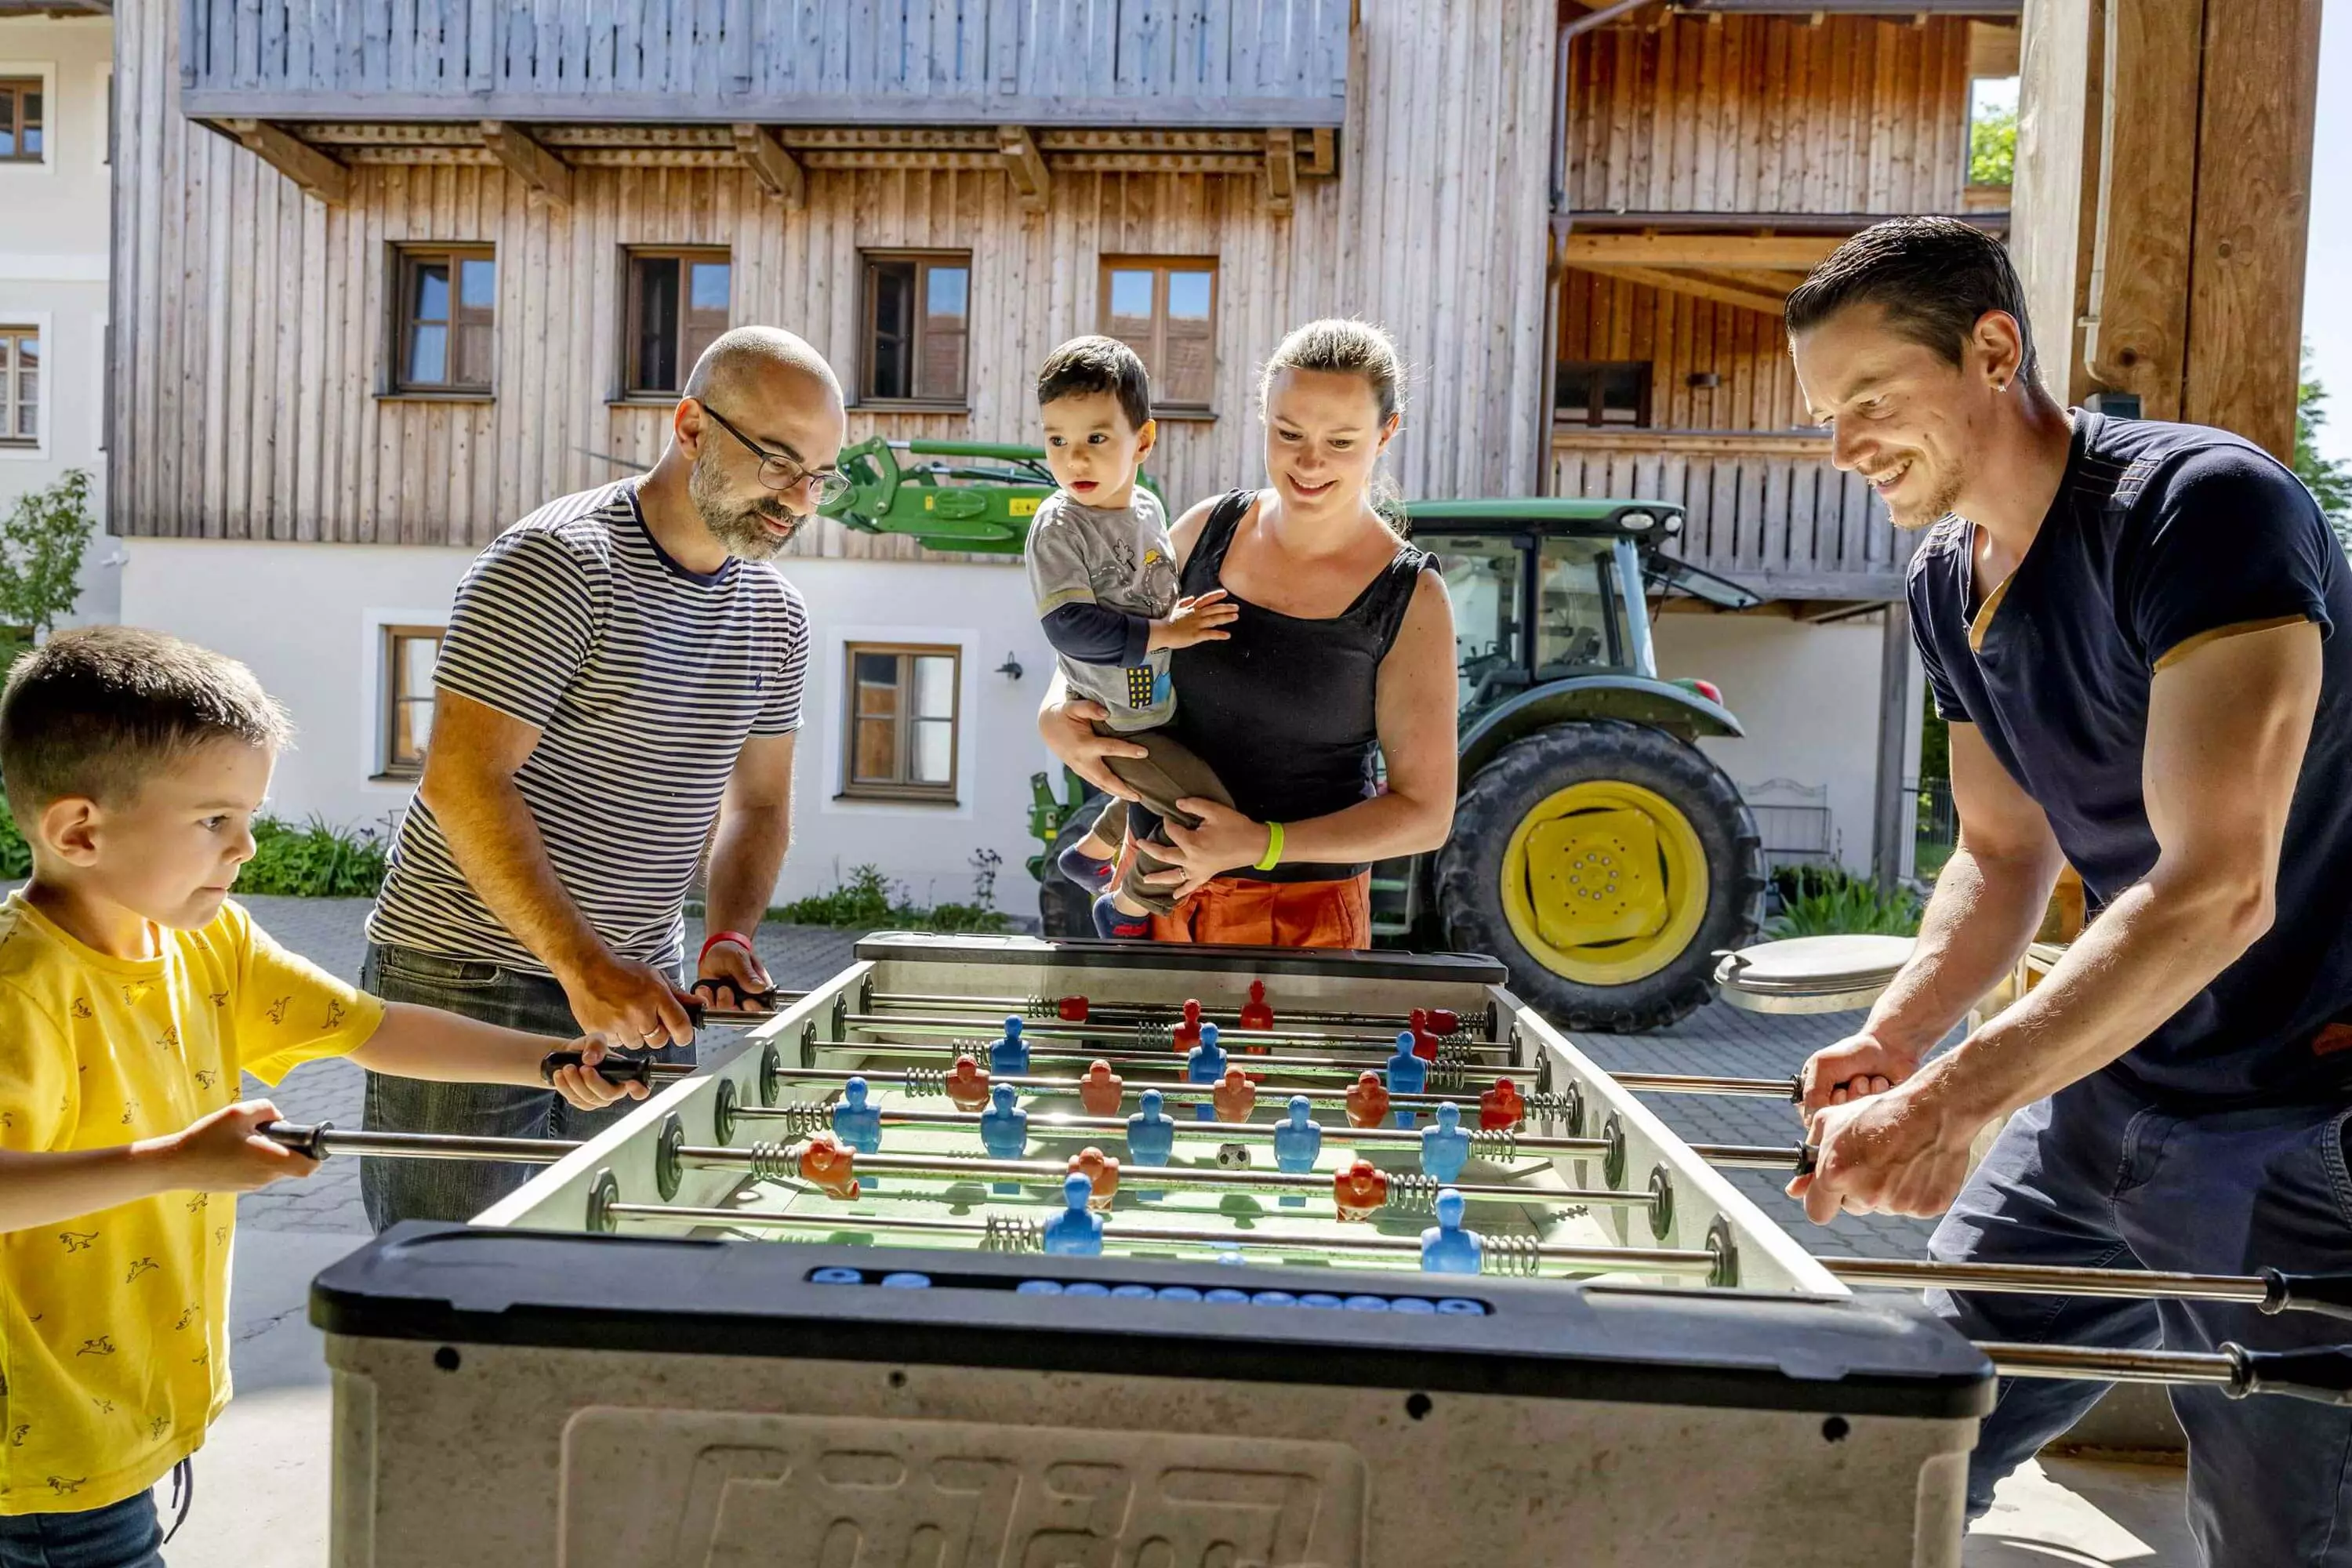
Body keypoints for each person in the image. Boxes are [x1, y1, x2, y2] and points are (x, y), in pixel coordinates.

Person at [1781, 217, 2352, 1563]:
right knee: (1907, 1441)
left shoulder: (2203, 512)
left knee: (2287, 1537)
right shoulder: (1942, 581)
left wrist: (1961, 1099)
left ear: (1993, 351)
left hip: (2302, 1110)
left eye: (1870, 400)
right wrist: (1905, 1035)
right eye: (1826, 415)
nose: (1846, 445)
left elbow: (2219, 888)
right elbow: (1998, 854)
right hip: (2109, 1083)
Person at [0, 628, 637, 1565]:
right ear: (80, 830)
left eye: (248, 814)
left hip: (128, 1416)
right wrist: (178, 1161)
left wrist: (549, 1059)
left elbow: (372, 1026)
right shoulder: (22, 988)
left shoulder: (210, 942)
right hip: (42, 1450)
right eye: (214, 819)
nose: (247, 845)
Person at [359, 326, 841, 1229]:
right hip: (468, 976)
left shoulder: (778, 612)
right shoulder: (557, 562)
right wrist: (579, 962)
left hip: (638, 985)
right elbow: (462, 781)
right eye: (780, 461)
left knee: (617, 1272)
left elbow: (762, 801)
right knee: (444, 1287)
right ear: (691, 425)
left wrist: (726, 937)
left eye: (820, 476)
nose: (798, 499)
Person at [1036, 318, 1457, 946]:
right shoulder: (1206, 527)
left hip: (1301, 919)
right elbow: (1113, 631)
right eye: (1288, 433)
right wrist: (1053, 714)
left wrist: (1263, 844)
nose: (1310, 462)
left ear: (1385, 434)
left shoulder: (1412, 597)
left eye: (1341, 442)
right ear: (1263, 417)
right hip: (1152, 905)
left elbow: (1425, 817)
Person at [1025, 335, 1242, 939]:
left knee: (1168, 783)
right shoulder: (1058, 527)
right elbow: (1068, 626)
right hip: (1113, 715)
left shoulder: (1146, 508)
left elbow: (1146, 587)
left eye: (1096, 439)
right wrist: (1170, 630)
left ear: (1142, 440)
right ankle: (1126, 906)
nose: (1075, 461)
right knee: (1203, 810)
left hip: (1153, 698)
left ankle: (1092, 852)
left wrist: (1178, 614)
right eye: (1057, 441)